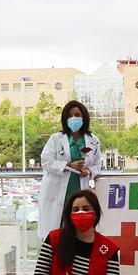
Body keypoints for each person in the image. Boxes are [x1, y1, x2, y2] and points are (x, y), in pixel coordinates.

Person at [38, 100, 103, 237]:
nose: (73, 118)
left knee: (77, 232)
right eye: (69, 115)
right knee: (55, 233)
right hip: (56, 191)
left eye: (77, 114)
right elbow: (45, 161)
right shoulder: (56, 139)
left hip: (79, 188)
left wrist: (89, 171)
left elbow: (97, 165)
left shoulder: (93, 140)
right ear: (65, 119)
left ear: (84, 117)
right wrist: (67, 166)